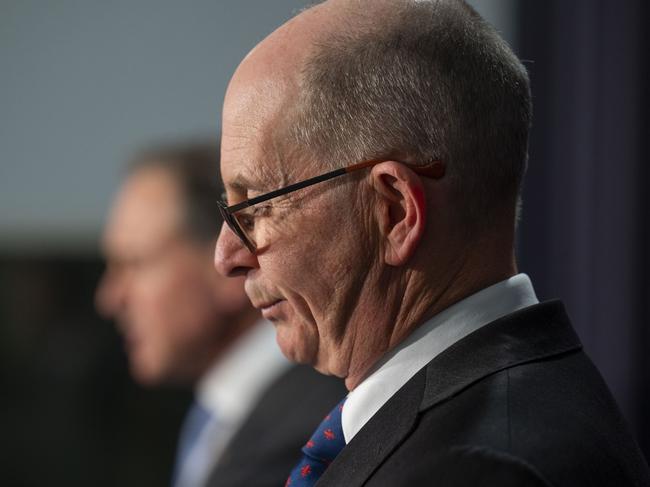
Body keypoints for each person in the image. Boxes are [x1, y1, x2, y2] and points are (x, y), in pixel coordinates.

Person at [213, 1, 650, 486]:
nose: (228, 257)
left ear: (394, 211)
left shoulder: (475, 470)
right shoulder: (509, 406)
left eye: (254, 207)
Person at [96, 141, 345, 487]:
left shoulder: (316, 430)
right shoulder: (222, 418)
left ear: (226, 259)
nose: (110, 298)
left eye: (135, 265)